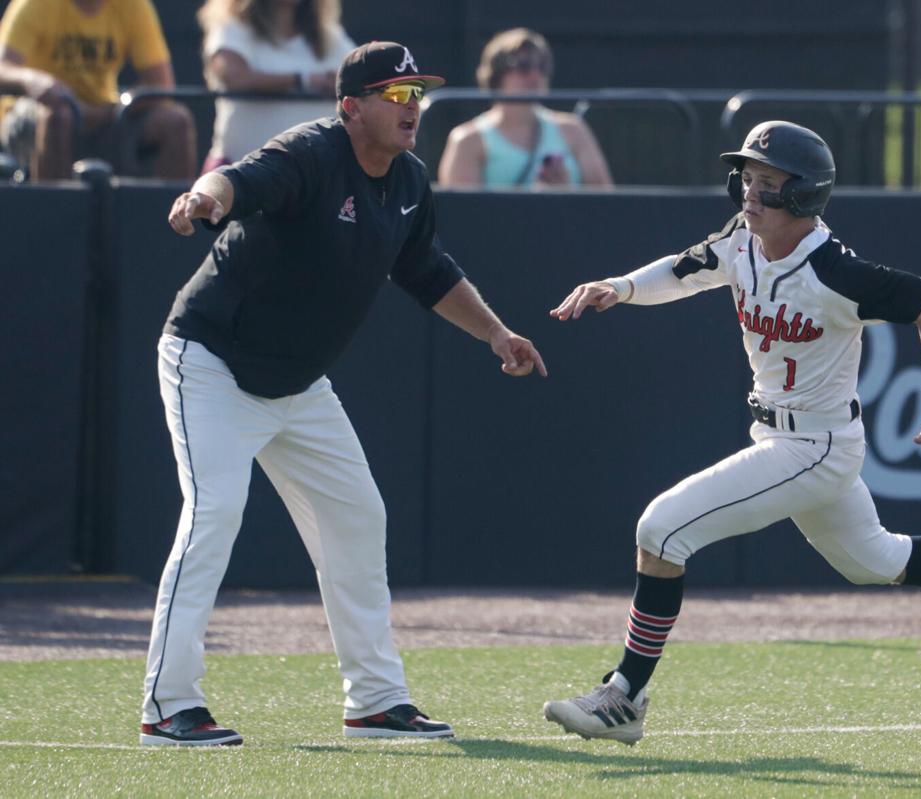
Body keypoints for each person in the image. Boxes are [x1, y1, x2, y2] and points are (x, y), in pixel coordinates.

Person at [542, 121, 921, 745]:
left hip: (815, 447)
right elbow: (682, 271)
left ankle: (625, 695)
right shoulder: (741, 241)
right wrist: (619, 287)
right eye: (747, 178)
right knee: (878, 560)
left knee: (661, 529)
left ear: (805, 196)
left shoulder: (835, 272)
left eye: (769, 183)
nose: (750, 194)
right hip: (789, 440)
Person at [140, 41, 547, 746]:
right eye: (395, 95)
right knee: (215, 512)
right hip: (211, 360)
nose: (412, 106)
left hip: (296, 385)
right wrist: (203, 197)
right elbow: (241, 180)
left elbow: (428, 271)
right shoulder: (310, 152)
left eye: (416, 92)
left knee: (358, 516)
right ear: (351, 107)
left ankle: (376, 700)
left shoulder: (411, 180)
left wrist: (495, 332)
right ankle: (167, 704)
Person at [0, 0, 195, 181]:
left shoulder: (134, 6)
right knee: (58, 116)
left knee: (176, 121)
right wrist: (32, 81)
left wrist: (107, 111)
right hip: (38, 115)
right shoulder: (35, 4)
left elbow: (161, 85)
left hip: (105, 115)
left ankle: (176, 215)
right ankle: (52, 213)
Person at [437, 28, 611, 189]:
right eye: (523, 66)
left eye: (542, 66)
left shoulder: (574, 131)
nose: (535, 75)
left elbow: (607, 206)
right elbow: (462, 215)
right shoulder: (468, 141)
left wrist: (565, 195)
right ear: (496, 74)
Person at [197, 0, 356, 172]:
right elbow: (234, 77)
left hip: (314, 177)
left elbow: (363, 75)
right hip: (238, 174)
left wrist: (343, 84)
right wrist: (303, 80)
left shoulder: (330, 35)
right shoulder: (232, 29)